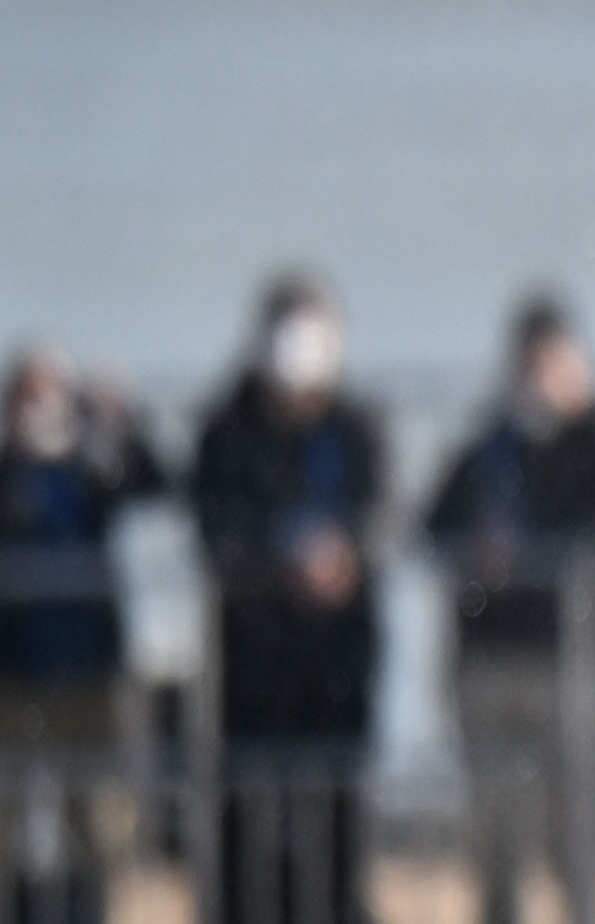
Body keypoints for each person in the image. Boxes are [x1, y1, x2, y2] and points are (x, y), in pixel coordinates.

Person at [425, 297, 595, 924]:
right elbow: (433, 527)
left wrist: (588, 425)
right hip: (488, 656)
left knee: (574, 828)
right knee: (496, 831)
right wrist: (478, 550)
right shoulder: (489, 448)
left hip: (567, 655)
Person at [189, 273, 387, 924]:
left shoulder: (356, 428)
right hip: (255, 657)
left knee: (338, 807)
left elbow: (378, 514)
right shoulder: (229, 429)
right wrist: (279, 562)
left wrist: (345, 555)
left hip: (338, 660)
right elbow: (213, 524)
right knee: (244, 809)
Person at [0, 349, 166, 924]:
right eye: (26, 397)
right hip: (13, 675)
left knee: (97, 820)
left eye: (50, 395)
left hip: (90, 675)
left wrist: (121, 420)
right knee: (3, 819)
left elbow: (154, 483)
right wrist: (14, 452)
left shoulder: (90, 473)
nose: (39, 409)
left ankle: (92, 913)